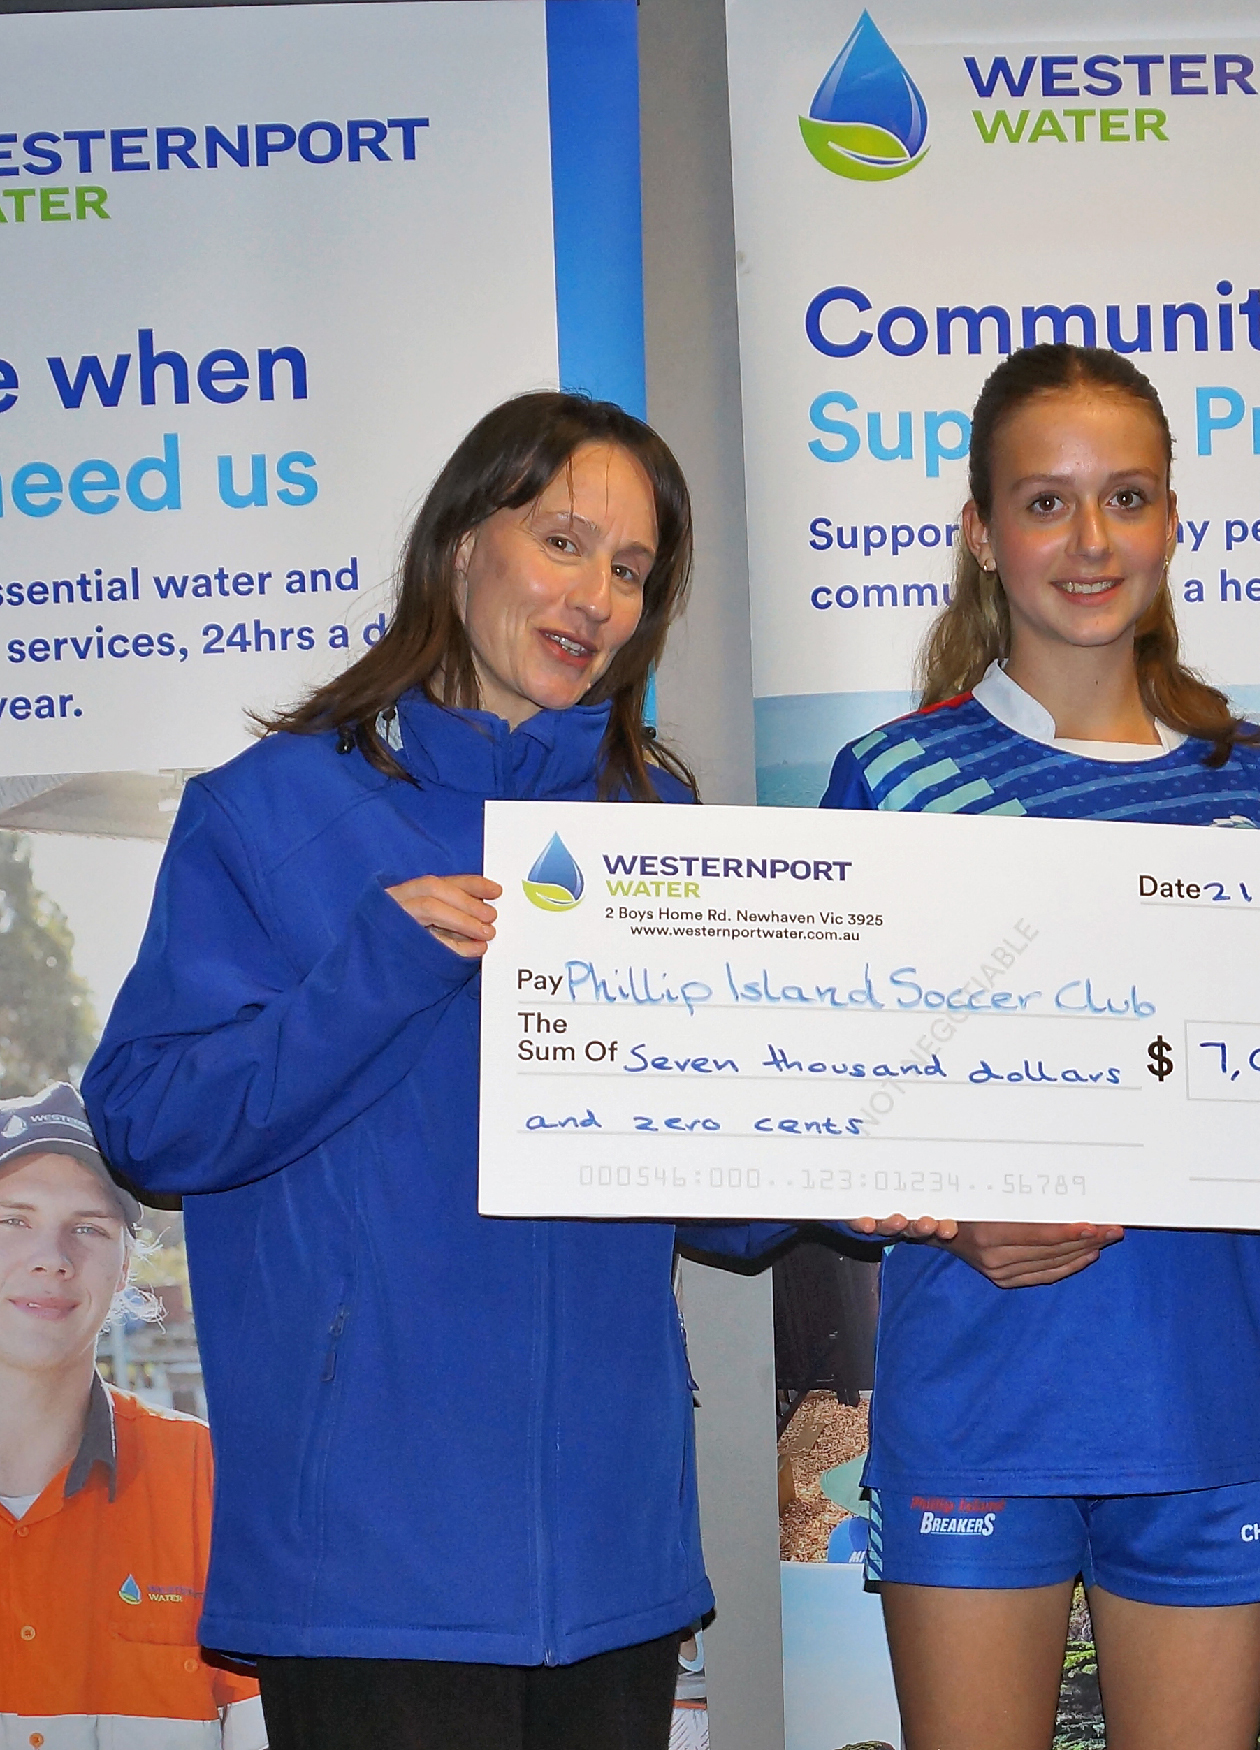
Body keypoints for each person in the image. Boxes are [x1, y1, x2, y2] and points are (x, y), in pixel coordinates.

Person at [82, 393, 794, 1750]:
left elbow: (711, 1190)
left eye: (631, 569)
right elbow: (148, 1122)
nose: (594, 596)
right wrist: (376, 968)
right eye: (563, 541)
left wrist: (846, 1164)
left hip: (612, 1560)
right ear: (463, 543)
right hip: (366, 1567)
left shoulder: (660, 825)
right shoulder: (271, 809)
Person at [819, 343, 1260, 1750]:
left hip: (1203, 1403)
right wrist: (952, 1217)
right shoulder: (894, 779)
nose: (1091, 539)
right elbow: (827, 1111)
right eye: (1046, 502)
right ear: (983, 533)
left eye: (1125, 496)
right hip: (979, 1396)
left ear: (1172, 520)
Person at [0, 1081, 264, 1747]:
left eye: (89, 1228)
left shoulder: (214, 1485)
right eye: (12, 1220)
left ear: (124, 1269)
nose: (52, 1259)